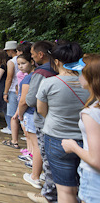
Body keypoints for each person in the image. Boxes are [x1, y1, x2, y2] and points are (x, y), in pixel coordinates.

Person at [36, 42, 89, 203]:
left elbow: (41, 110)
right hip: (87, 141)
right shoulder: (90, 83)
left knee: (65, 190)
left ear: (57, 61)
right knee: (84, 185)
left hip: (57, 138)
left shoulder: (49, 83)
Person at [61, 54, 100, 203]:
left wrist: (73, 146)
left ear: (90, 77)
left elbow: (96, 160)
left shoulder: (91, 113)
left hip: (94, 179)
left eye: (80, 73)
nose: (78, 76)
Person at [25, 41, 58, 203]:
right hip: (59, 118)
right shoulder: (59, 68)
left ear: (41, 54)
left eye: (32, 54)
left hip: (44, 119)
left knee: (46, 154)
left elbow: (31, 99)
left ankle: (48, 194)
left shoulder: (41, 72)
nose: (31, 57)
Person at [14, 53, 43, 189]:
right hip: (33, 114)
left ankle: (35, 175)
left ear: (32, 61)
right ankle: (36, 166)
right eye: (18, 64)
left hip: (30, 114)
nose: (20, 66)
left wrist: (19, 114)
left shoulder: (29, 79)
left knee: (35, 144)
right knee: (33, 142)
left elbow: (23, 100)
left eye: (23, 63)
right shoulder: (37, 76)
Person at [1, 40, 19, 135]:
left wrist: (5, 92)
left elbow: (9, 78)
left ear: (11, 50)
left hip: (12, 90)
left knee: (13, 115)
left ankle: (12, 132)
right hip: (22, 89)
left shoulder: (11, 62)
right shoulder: (24, 59)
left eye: (7, 50)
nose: (7, 52)